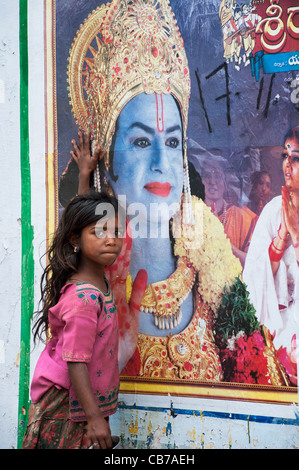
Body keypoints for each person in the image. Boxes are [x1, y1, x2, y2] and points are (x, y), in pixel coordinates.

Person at [59, 0, 283, 384]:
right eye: (143, 143)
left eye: (174, 141)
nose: (164, 162)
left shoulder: (208, 266)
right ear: (107, 164)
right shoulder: (87, 283)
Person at [22, 192, 147, 449]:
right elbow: (76, 361)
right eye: (99, 232)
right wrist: (94, 418)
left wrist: (84, 176)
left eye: (116, 231)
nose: (111, 240)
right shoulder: (84, 299)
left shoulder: (100, 279)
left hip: (83, 403)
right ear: (75, 239)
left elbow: (82, 215)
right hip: (65, 405)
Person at [243, 126, 299, 385]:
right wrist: (281, 238)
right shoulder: (274, 209)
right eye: (285, 157)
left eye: (295, 158)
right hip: (280, 324)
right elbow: (254, 275)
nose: (288, 165)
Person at [200, 160, 257, 268]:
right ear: (200, 181)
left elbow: (254, 265)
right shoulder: (191, 216)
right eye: (207, 176)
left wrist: (226, 244)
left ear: (225, 182)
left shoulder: (242, 217)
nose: (212, 181)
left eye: (217, 176)